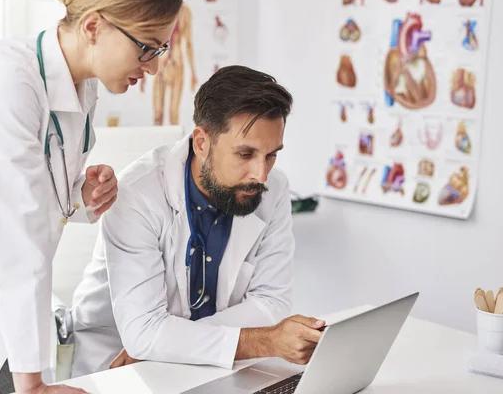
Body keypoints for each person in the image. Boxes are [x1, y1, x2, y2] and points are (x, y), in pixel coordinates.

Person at [0, 0, 183, 393]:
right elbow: (14, 232)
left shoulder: (84, 86)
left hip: (14, 320)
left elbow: (41, 192)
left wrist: (82, 194)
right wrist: (33, 385)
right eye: (146, 47)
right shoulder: (8, 78)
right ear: (93, 27)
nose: (154, 67)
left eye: (161, 49)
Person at [69, 66, 325, 377]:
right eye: (245, 154)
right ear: (202, 143)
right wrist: (264, 341)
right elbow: (143, 334)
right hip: (115, 369)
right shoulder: (137, 194)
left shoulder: (273, 189)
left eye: (271, 155)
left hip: (208, 368)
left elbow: (272, 303)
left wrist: (167, 346)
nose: (262, 173)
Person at [140, 2, 197, 126]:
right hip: (164, 65)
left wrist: (193, 73)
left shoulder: (184, 11)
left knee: (172, 114)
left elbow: (188, 43)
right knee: (158, 114)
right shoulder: (160, 8)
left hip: (174, 64)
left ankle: (173, 145)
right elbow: (149, 40)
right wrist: (142, 69)